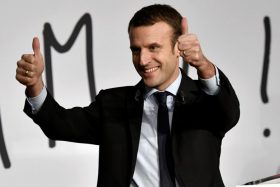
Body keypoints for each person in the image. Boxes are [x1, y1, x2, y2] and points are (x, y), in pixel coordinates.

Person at [16, 4, 240, 187]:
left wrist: (204, 66)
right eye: (136, 49)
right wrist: (35, 85)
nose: (142, 60)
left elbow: (228, 113)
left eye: (153, 48)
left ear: (177, 48)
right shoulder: (113, 104)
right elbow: (59, 124)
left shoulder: (205, 100)